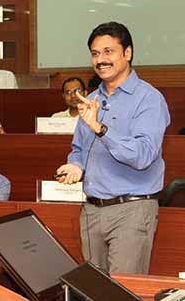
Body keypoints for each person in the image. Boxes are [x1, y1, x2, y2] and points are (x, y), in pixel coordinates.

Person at [56, 21, 170, 274]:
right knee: (95, 294)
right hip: (92, 210)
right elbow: (79, 148)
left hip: (131, 209)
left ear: (127, 53)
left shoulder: (148, 98)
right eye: (96, 54)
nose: (101, 60)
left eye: (109, 51)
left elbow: (143, 156)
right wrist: (76, 165)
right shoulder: (93, 99)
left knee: (124, 294)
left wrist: (100, 128)